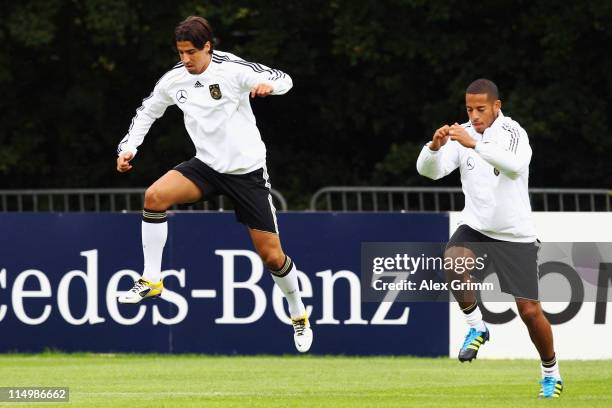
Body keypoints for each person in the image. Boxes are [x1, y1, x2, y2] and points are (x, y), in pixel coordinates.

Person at [115, 16, 312, 353]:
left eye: (191, 52)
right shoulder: (174, 79)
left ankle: (297, 312)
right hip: (205, 167)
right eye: (180, 52)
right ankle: (151, 279)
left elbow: (285, 79)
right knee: (154, 196)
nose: (185, 59)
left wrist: (269, 86)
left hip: (246, 173)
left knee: (272, 257)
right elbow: (148, 110)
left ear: (208, 47)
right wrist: (128, 147)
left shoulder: (233, 69)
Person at [416, 79, 563, 398]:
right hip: (477, 226)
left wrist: (474, 144)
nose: (475, 115)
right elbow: (429, 172)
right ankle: (476, 326)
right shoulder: (463, 134)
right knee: (453, 262)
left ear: (497, 106)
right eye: (470, 109)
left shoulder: (513, 133)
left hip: (515, 234)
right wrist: (434, 148)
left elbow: (514, 166)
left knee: (529, 312)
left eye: (481, 108)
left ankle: (551, 372)